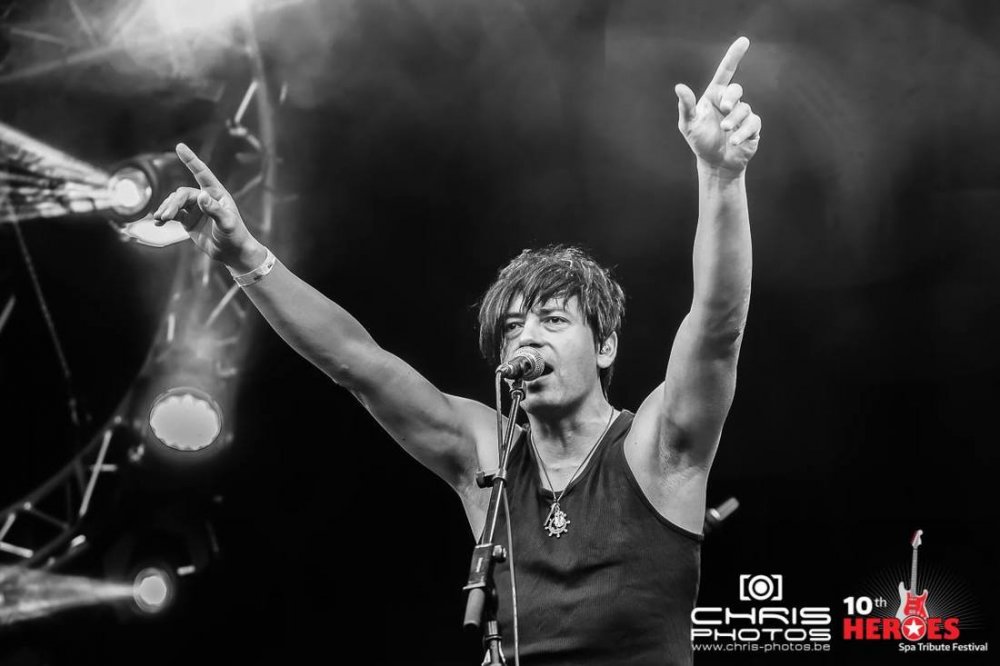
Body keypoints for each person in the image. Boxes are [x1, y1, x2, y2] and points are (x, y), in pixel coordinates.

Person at [153, 36, 761, 666]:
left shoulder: (656, 450)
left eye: (553, 320)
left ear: (605, 346)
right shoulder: (487, 457)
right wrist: (246, 258)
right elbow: (357, 363)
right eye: (513, 327)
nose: (526, 337)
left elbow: (717, 325)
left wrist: (720, 176)